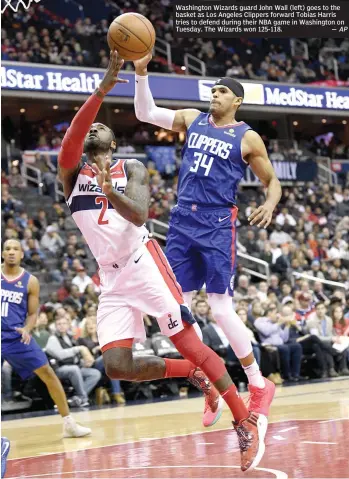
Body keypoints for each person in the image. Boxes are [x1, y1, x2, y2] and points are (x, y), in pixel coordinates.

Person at [57, 50, 268, 472]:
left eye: (102, 127)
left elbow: (138, 214)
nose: (94, 128)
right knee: (117, 367)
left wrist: (109, 189)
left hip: (144, 262)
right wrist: (104, 86)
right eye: (91, 128)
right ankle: (193, 374)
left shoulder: (131, 168)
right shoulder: (70, 173)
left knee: (188, 338)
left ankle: (244, 422)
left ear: (114, 145)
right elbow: (73, 136)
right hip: (111, 280)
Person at [133, 53, 279, 412]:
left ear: (237, 101)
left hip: (216, 224)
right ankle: (211, 381)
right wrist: (140, 73)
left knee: (220, 307)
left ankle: (258, 383)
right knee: (174, 307)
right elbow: (145, 113)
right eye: (212, 90)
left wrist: (270, 204)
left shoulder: (248, 138)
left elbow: (272, 181)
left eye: (221, 92)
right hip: (183, 220)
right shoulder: (192, 119)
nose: (214, 95)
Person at [1, 239, 91, 438]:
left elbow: (33, 314)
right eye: (7, 249)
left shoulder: (30, 281)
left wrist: (27, 328)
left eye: (16, 248)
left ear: (22, 254)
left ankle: (69, 423)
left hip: (16, 337)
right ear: (2, 253)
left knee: (48, 373)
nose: (11, 252)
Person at [78, 316, 126, 405]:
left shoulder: (104, 338)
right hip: (93, 364)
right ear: (85, 327)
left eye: (93, 323)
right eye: (88, 324)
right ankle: (116, 393)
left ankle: (116, 393)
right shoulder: (82, 340)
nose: (90, 326)